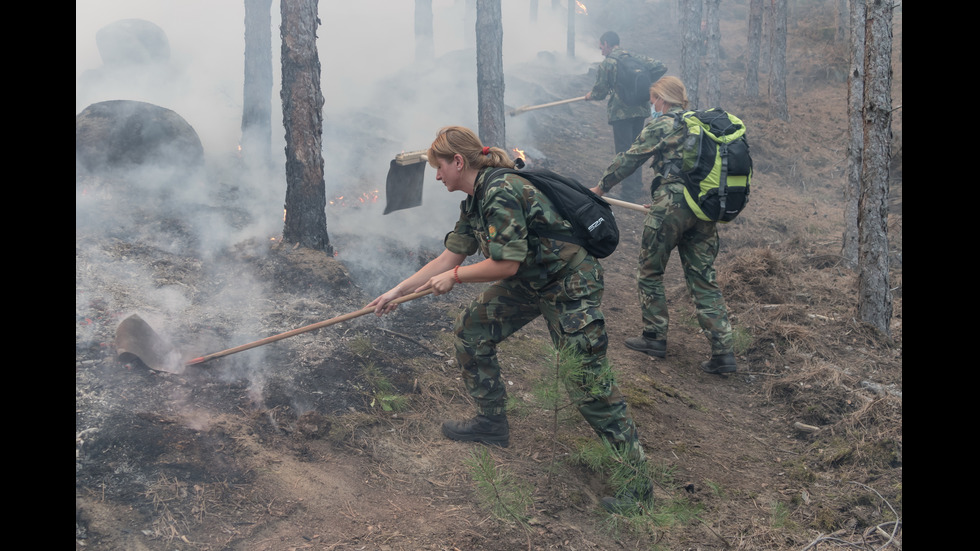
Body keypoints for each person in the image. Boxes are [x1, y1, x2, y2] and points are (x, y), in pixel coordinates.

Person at [370, 126, 653, 511]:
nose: (436, 177)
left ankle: (637, 489)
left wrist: (453, 279)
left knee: (588, 382)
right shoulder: (474, 199)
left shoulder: (500, 191)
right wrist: (397, 292)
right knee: (471, 330)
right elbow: (449, 257)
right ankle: (491, 422)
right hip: (530, 282)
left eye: (439, 168)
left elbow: (504, 264)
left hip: (569, 286)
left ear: (458, 162)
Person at [590, 76, 738, 375]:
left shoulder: (663, 124)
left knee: (650, 271)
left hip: (672, 207)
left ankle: (654, 337)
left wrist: (600, 188)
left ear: (662, 98)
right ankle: (724, 352)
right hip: (703, 209)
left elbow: (632, 158)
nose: (652, 105)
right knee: (703, 279)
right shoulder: (701, 127)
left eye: (653, 99)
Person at [585, 31, 666, 204]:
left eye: (601, 47)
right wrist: (643, 86)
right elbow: (660, 66)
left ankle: (628, 192)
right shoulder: (634, 57)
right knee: (637, 149)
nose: (601, 52)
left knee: (624, 151)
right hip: (640, 110)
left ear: (606, 43)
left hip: (621, 112)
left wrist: (590, 95)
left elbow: (599, 93)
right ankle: (635, 187)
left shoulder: (608, 63)